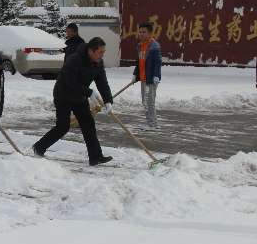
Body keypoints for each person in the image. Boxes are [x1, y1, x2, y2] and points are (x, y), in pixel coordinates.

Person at [33, 37, 113, 166]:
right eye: (100, 52)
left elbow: (102, 82)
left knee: (88, 125)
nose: (102, 55)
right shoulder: (74, 59)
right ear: (91, 51)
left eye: (103, 52)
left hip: (79, 97)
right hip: (63, 95)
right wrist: (89, 92)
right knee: (63, 126)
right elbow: (70, 81)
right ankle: (39, 147)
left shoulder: (98, 62)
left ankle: (96, 157)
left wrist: (108, 100)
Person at [131, 21, 162, 130]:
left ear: (150, 33)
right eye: (140, 32)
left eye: (144, 32)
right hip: (143, 78)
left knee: (149, 102)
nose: (141, 34)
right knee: (145, 101)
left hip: (151, 79)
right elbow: (139, 62)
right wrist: (135, 74)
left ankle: (153, 124)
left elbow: (158, 63)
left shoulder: (154, 46)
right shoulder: (140, 46)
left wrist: (156, 76)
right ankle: (150, 123)